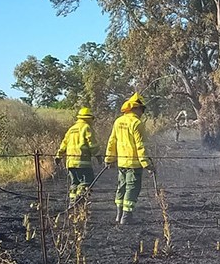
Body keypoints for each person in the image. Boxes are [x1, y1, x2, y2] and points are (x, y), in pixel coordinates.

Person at [105, 93, 154, 225]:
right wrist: (147, 164)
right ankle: (126, 217)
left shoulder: (118, 121)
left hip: (121, 163)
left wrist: (109, 159)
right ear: (136, 108)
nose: (142, 113)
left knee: (121, 187)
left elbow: (112, 141)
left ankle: (118, 215)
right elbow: (140, 145)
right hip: (134, 164)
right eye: (142, 109)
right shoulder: (136, 123)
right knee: (132, 188)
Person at [55, 107, 102, 206]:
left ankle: (72, 202)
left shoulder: (71, 129)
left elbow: (64, 143)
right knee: (86, 181)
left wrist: (59, 155)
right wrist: (98, 155)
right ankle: (80, 201)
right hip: (83, 162)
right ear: (88, 118)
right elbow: (92, 144)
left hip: (70, 163)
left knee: (74, 183)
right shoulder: (86, 127)